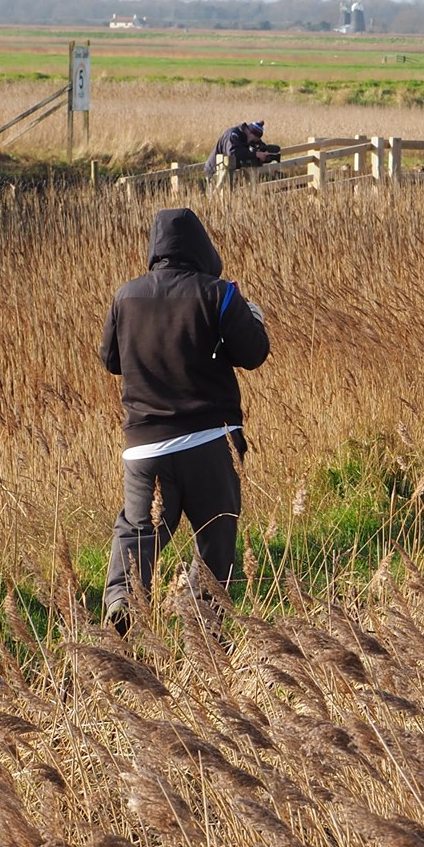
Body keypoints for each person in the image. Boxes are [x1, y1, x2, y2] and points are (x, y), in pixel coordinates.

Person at [101, 207, 269, 632]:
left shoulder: (125, 296)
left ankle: (122, 600)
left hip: (144, 448)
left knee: (137, 532)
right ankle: (203, 627)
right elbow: (253, 354)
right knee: (215, 540)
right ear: (202, 248)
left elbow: (111, 361)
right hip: (210, 443)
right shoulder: (219, 293)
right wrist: (254, 319)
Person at [203, 121, 280, 189]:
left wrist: (263, 152)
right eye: (253, 140)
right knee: (216, 197)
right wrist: (255, 154)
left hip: (230, 170)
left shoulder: (247, 136)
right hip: (215, 170)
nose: (252, 142)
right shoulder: (233, 135)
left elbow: (257, 145)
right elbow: (233, 152)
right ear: (250, 132)